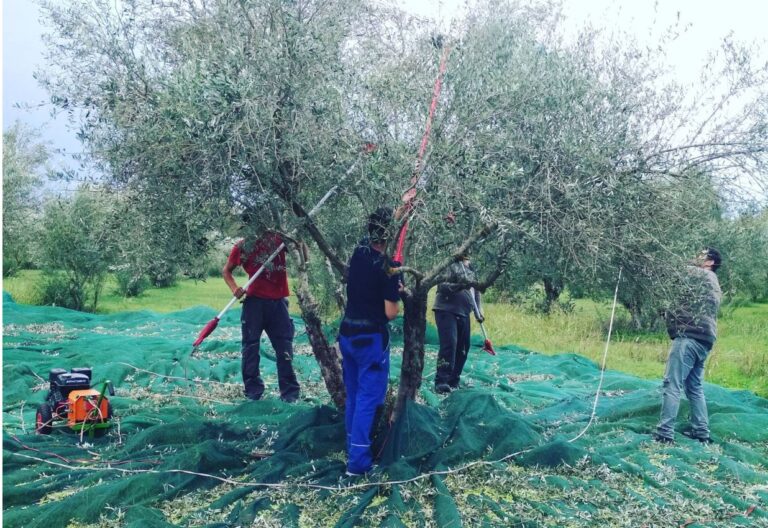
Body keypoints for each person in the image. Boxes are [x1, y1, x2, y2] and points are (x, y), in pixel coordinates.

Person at [338, 207, 402, 476]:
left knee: (353, 395)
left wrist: (403, 207)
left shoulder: (359, 251)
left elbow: (386, 229)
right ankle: (359, 463)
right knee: (367, 399)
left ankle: (353, 446)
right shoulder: (389, 266)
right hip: (370, 340)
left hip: (347, 334)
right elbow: (390, 312)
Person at [222, 212, 300, 403]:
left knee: (284, 347)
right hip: (254, 303)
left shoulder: (279, 239)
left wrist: (298, 241)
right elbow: (226, 271)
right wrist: (234, 289)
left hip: (278, 304)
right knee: (250, 347)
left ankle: (289, 393)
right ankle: (253, 391)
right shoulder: (242, 246)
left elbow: (302, 257)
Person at [654, 247, 722, 444]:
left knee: (672, 383)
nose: (696, 256)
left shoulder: (701, 274)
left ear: (710, 262)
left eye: (701, 254)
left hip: (688, 337)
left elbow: (673, 267)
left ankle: (665, 433)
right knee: (694, 387)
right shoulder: (713, 282)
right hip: (705, 340)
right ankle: (701, 432)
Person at [433, 253, 483, 394]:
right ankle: (441, 381)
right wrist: (461, 284)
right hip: (446, 310)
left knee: (463, 348)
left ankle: (453, 380)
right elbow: (442, 287)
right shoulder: (449, 265)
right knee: (450, 345)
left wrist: (478, 310)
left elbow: (476, 291)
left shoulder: (471, 270)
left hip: (464, 312)